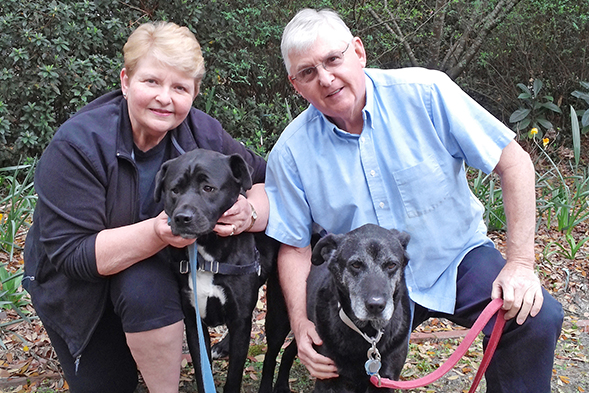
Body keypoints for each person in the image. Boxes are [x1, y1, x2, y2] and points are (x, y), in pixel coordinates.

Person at [264, 8, 564, 393]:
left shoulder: (426, 93)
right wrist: (301, 322)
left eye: (333, 60)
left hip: (455, 260)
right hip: (367, 280)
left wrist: (520, 264)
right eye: (308, 72)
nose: (325, 78)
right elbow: (293, 246)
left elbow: (515, 163)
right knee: (350, 370)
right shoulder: (290, 152)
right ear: (296, 85)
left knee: (533, 318)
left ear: (358, 51)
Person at [23, 21, 269, 393]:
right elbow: (74, 256)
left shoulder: (202, 133)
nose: (165, 98)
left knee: (145, 284)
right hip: (79, 290)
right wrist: (157, 232)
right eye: (151, 82)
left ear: (194, 94)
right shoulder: (78, 145)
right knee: (109, 385)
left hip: (147, 286)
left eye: (180, 88)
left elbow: (266, 179)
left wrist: (250, 212)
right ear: (125, 81)